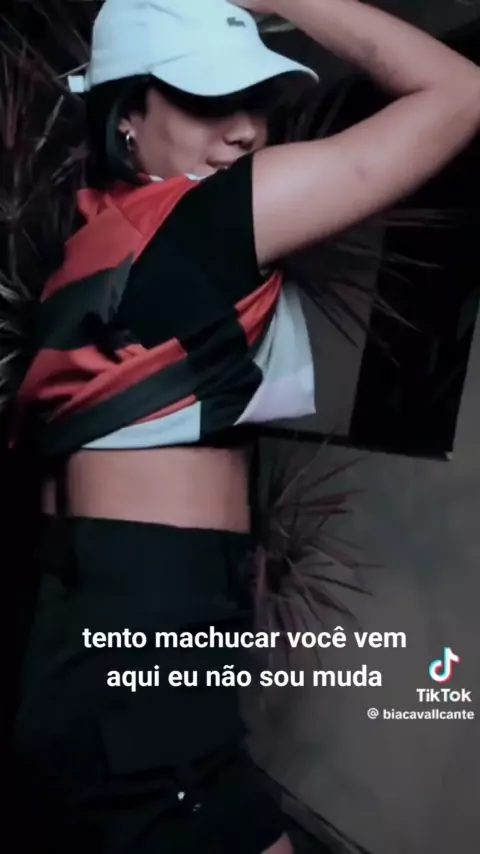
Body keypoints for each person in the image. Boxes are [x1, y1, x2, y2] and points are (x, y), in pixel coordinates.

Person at [10, 0, 480, 852]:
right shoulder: (204, 219)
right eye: (206, 100)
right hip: (151, 615)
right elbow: (461, 93)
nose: (245, 132)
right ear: (126, 117)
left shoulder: (90, 254)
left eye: (255, 101)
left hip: (95, 613)